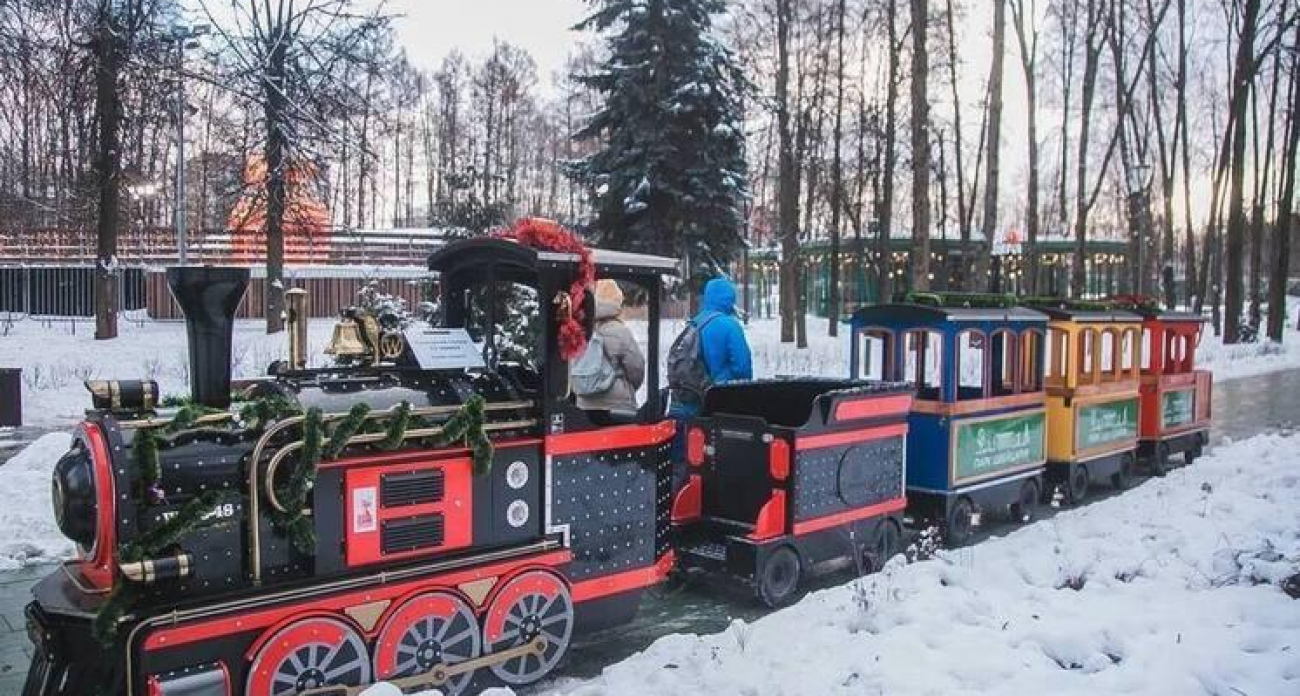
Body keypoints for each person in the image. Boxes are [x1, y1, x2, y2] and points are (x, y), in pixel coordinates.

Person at [668, 277, 753, 477]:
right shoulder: (729, 326)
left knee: (680, 467)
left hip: (682, 404)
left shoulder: (694, 322)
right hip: (711, 407)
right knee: (709, 470)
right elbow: (743, 369)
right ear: (730, 299)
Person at [573, 279, 645, 421]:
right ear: (617, 301)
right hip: (617, 406)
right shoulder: (620, 331)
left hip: (584, 405)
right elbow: (636, 368)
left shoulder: (580, 329)